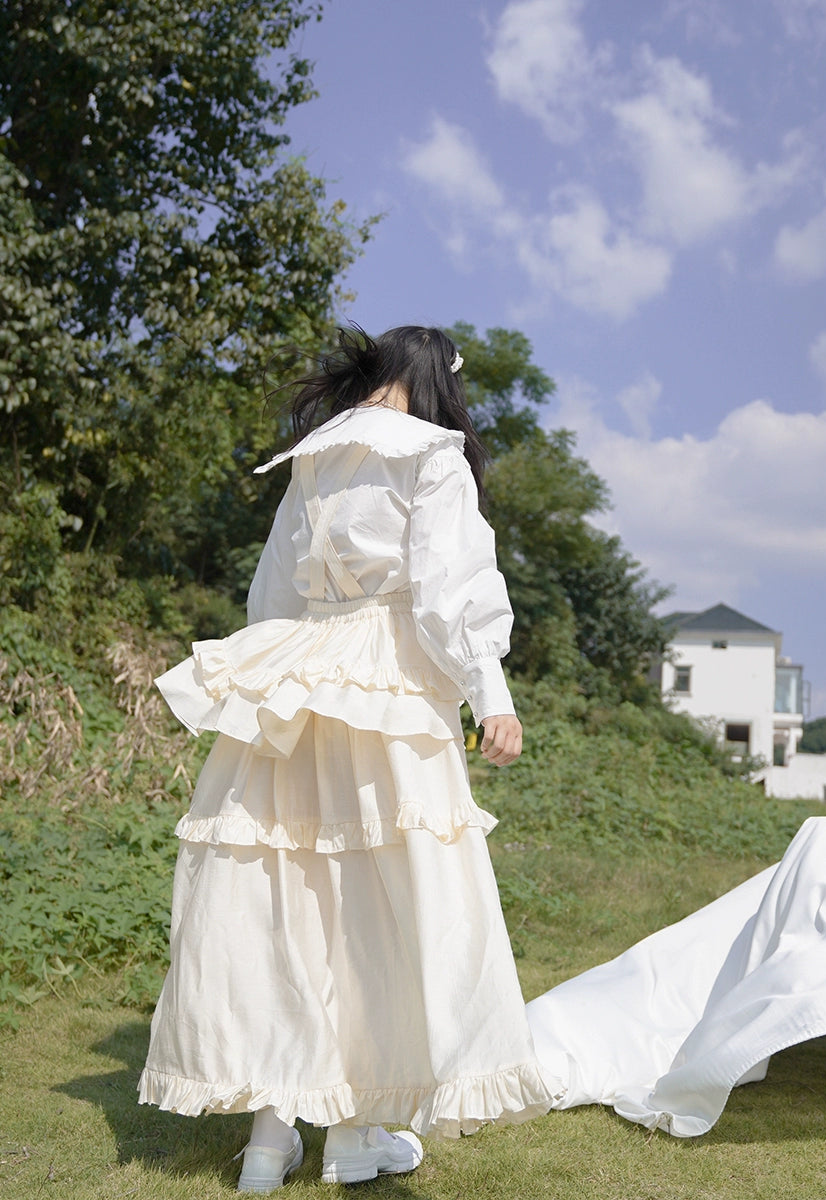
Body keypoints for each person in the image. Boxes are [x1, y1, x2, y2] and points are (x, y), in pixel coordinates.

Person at [138, 325, 559, 1192]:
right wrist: (492, 693)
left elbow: (275, 591)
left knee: (284, 902)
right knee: (383, 907)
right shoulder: (431, 455)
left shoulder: (314, 454)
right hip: (387, 685)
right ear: (438, 378)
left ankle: (269, 1139)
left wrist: (275, 676)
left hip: (297, 675)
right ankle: (356, 1136)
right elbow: (448, 590)